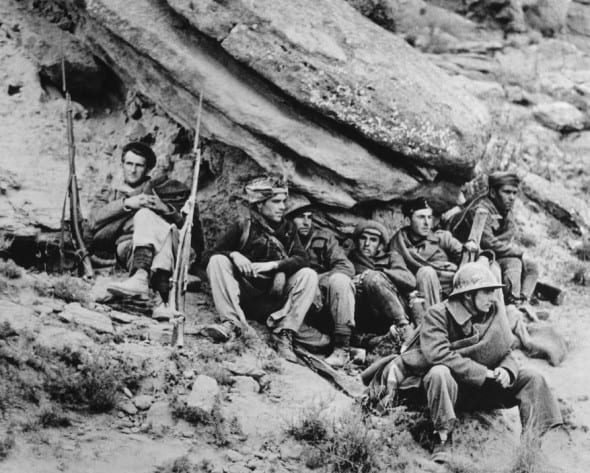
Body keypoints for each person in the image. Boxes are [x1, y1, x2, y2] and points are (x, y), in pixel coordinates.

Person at [362, 262, 562, 463]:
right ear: (468, 294)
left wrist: (506, 370)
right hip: (444, 392)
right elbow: (438, 354)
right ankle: (442, 437)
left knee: (532, 378)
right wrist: (484, 373)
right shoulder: (438, 315)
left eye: (493, 292)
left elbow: (506, 350)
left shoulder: (494, 313)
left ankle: (532, 443)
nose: (493, 297)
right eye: (487, 292)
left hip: (482, 389)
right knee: (439, 371)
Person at [204, 176, 317, 362]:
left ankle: (284, 334)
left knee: (308, 275)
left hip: (273, 299)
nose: (282, 207)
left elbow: (302, 259)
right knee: (217, 260)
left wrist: (275, 266)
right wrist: (233, 254)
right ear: (259, 204)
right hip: (244, 295)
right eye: (276, 202)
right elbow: (207, 256)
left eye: (283, 201)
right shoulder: (243, 225)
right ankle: (231, 323)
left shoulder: (288, 228)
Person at [90, 141, 202, 320]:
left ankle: (142, 279)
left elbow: (189, 229)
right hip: (128, 247)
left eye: (139, 165)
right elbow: (93, 220)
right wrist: (126, 204)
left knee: (156, 225)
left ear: (148, 169)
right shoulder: (110, 193)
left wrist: (164, 209)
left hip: (168, 247)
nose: (133, 170)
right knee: (143, 216)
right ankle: (163, 301)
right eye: (129, 164)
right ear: (122, 164)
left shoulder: (162, 189)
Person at [286, 197, 355, 368]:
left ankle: (342, 348)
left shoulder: (324, 238)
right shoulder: (282, 238)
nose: (306, 222)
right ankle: (330, 343)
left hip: (323, 300)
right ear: (289, 218)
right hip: (294, 301)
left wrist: (317, 281)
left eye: (309, 217)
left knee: (341, 280)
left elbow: (346, 267)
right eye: (301, 217)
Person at [452, 172, 539, 307]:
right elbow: (488, 243)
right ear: (493, 193)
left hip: (493, 252)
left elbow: (509, 233)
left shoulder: (504, 208)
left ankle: (522, 300)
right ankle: (512, 302)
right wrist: (513, 250)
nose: (512, 197)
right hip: (472, 255)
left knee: (532, 267)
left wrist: (501, 244)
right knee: (514, 261)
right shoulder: (480, 210)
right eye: (507, 192)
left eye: (514, 193)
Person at [391, 198, 478, 310]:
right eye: (421, 217)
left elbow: (468, 255)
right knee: (426, 272)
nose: (427, 223)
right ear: (408, 220)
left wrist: (472, 250)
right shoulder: (397, 246)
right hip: (415, 296)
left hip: (450, 292)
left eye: (429, 217)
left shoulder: (442, 238)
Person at [348, 220, 416, 344]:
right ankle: (383, 340)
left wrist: (382, 272)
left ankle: (404, 328)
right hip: (366, 315)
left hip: (394, 310)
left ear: (380, 245)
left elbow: (409, 280)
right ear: (357, 241)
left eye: (373, 240)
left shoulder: (391, 257)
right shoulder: (349, 260)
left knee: (372, 277)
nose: (367, 244)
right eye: (363, 238)